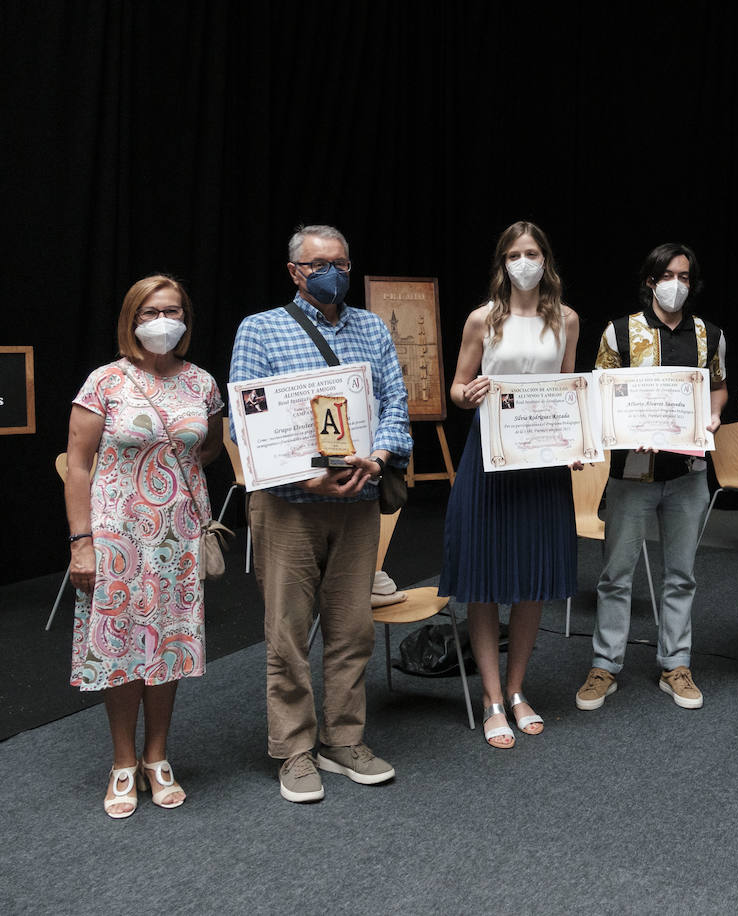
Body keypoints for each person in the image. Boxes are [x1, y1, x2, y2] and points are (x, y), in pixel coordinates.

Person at [229, 225, 412, 803]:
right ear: (294, 272)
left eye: (340, 262)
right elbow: (243, 422)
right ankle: (294, 750)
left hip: (358, 504)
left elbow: (396, 405)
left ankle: (344, 739)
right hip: (289, 507)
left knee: (352, 631)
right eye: (318, 264)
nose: (331, 272)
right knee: (286, 633)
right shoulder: (259, 330)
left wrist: (379, 459)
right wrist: (302, 475)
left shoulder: (373, 328)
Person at [65, 275, 224, 817]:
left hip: (176, 536)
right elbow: (78, 467)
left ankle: (158, 756)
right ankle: (123, 760)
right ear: (132, 320)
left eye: (172, 310)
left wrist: (170, 474)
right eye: (150, 312)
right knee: (121, 649)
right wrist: (81, 543)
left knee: (169, 647)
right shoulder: (104, 381)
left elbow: (209, 447)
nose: (163, 321)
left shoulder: (202, 382)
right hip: (115, 535)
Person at [440, 220, 581, 748]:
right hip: (489, 456)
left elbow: (571, 388)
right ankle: (492, 697)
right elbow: (456, 387)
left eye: (533, 252)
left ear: (547, 259)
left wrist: (577, 444)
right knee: (485, 576)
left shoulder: (566, 319)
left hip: (543, 460)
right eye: (515, 254)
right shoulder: (483, 320)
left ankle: (519, 690)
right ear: (502, 262)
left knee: (532, 575)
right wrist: (466, 395)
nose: (525, 262)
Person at [575, 243, 727, 712]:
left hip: (689, 472)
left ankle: (675, 664)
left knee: (680, 575)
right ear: (650, 281)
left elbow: (718, 390)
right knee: (616, 575)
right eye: (667, 275)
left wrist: (715, 418)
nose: (675, 284)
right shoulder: (620, 332)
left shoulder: (710, 334)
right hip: (631, 473)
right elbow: (601, 395)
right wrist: (624, 429)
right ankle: (605, 665)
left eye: (684, 275)